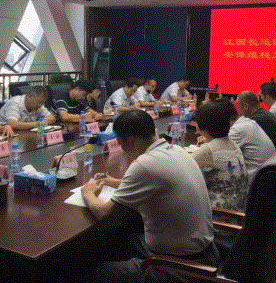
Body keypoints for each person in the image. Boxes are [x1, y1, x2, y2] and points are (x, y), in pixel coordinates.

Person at [81, 110, 217, 283]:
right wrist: (113, 181)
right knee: (120, 241)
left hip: (181, 267)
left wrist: (88, 193)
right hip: (205, 252)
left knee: (90, 273)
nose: (122, 150)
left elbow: (105, 215)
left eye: (121, 144)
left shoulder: (145, 164)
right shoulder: (176, 150)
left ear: (131, 142)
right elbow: (154, 181)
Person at [186, 102, 249, 211]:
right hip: (241, 211)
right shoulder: (233, 144)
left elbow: (187, 182)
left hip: (220, 216)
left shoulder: (207, 151)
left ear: (202, 126)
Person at [220, 97, 275, 181]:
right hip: (266, 179)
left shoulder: (237, 130)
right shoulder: (247, 122)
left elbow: (217, 158)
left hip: (254, 182)